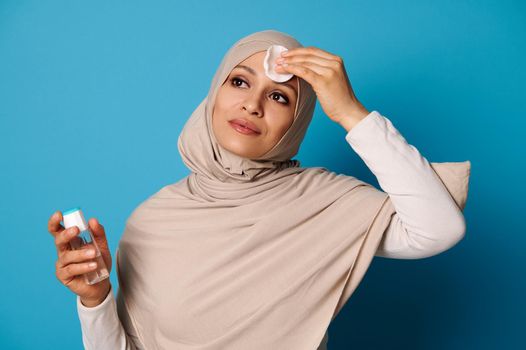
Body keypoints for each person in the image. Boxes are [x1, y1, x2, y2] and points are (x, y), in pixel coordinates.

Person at [47, 30, 469, 349]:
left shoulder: (323, 202)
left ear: (298, 121)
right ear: (214, 93)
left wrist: (350, 113)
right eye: (239, 82)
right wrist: (97, 300)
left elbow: (438, 229)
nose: (252, 105)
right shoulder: (153, 220)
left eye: (280, 97)